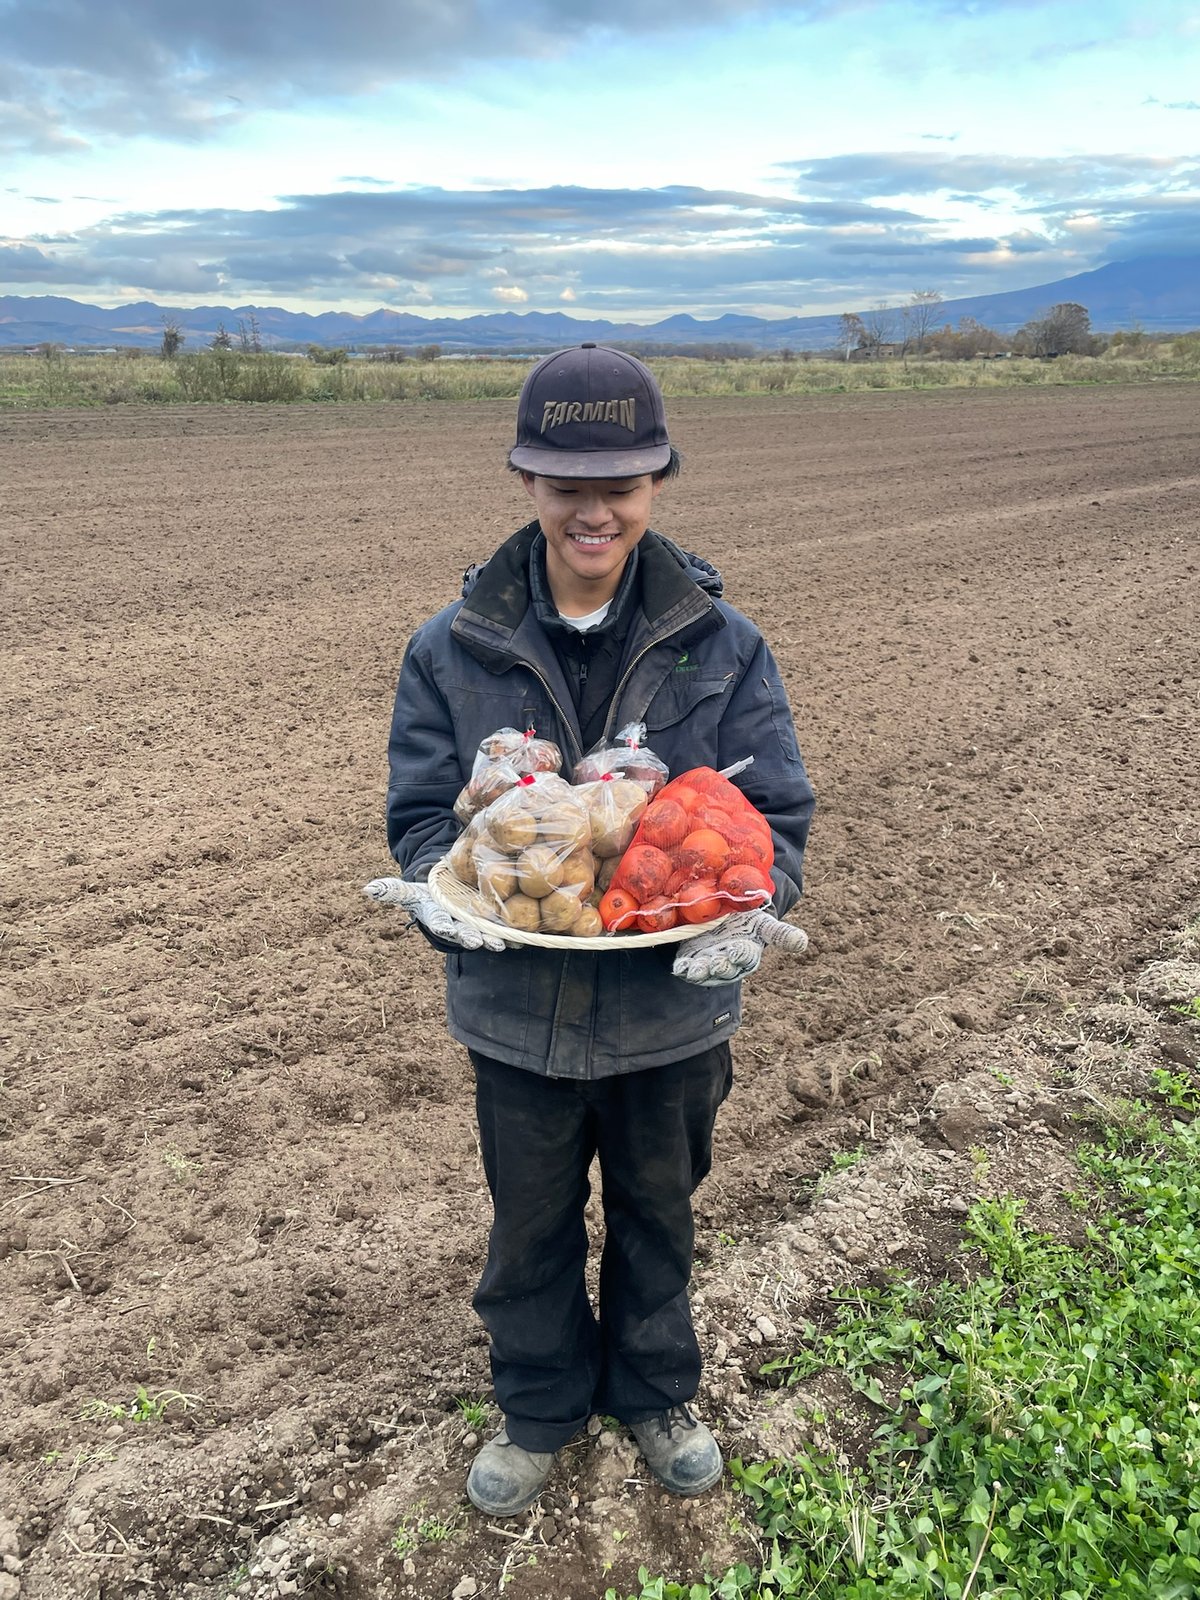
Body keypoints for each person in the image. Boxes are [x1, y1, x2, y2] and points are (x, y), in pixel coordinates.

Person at [369, 344, 815, 1518]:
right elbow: (422, 817)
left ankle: (657, 1391)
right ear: (527, 480)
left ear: (657, 479)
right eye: (567, 483)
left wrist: (756, 910)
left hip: (672, 1008)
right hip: (515, 1008)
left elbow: (774, 818)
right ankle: (539, 1406)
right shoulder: (452, 646)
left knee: (660, 1213)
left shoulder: (722, 644)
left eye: (620, 483)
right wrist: (443, 893)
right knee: (529, 1226)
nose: (594, 510)